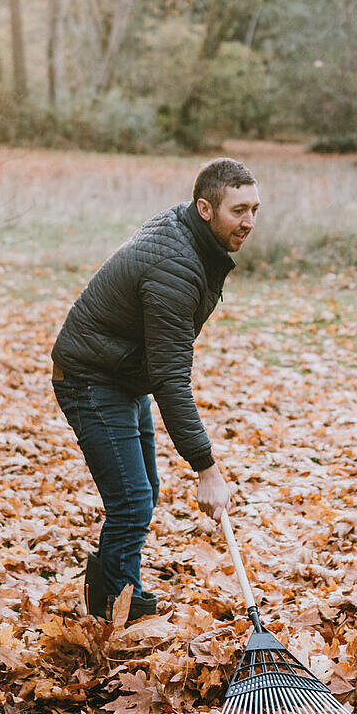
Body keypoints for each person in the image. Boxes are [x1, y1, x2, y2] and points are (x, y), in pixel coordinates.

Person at [50, 157, 260, 624]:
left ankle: (116, 594)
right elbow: (170, 380)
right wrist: (207, 468)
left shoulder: (190, 236)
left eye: (254, 210)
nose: (248, 222)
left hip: (119, 372)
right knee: (132, 501)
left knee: (141, 492)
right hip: (90, 377)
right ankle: (116, 613)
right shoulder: (176, 269)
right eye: (238, 210)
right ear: (205, 208)